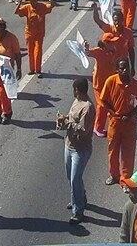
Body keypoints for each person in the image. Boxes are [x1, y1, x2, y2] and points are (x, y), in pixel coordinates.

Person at [99, 60, 137, 186]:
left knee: (128, 152)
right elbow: (104, 101)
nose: (125, 71)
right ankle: (114, 175)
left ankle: (125, 179)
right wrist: (114, 113)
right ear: (117, 70)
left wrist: (129, 115)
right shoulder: (111, 81)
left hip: (130, 124)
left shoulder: (135, 84)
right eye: (122, 68)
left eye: (127, 68)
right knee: (113, 151)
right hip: (115, 123)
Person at [57, 78, 95, 224]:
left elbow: (84, 130)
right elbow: (72, 119)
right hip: (69, 145)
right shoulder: (76, 102)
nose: (73, 92)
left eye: (74, 89)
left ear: (78, 90)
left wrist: (68, 124)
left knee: (75, 179)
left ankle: (78, 211)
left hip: (81, 149)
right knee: (71, 177)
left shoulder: (88, 107)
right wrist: (64, 119)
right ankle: (79, 197)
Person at [15, 0, 55, 75]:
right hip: (29, 33)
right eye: (31, 1)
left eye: (34, 1)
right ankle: (32, 69)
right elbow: (17, 12)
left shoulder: (42, 6)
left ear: (37, 1)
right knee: (30, 51)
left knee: (38, 51)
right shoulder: (27, 7)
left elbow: (52, 5)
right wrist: (19, 2)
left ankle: (38, 70)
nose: (32, 3)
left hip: (39, 33)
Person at [92, 5, 136, 76]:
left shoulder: (128, 32)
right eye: (115, 21)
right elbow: (97, 20)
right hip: (110, 64)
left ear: (122, 20)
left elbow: (131, 50)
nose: (117, 23)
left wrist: (133, 67)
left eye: (119, 20)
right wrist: (95, 9)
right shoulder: (109, 29)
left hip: (122, 65)